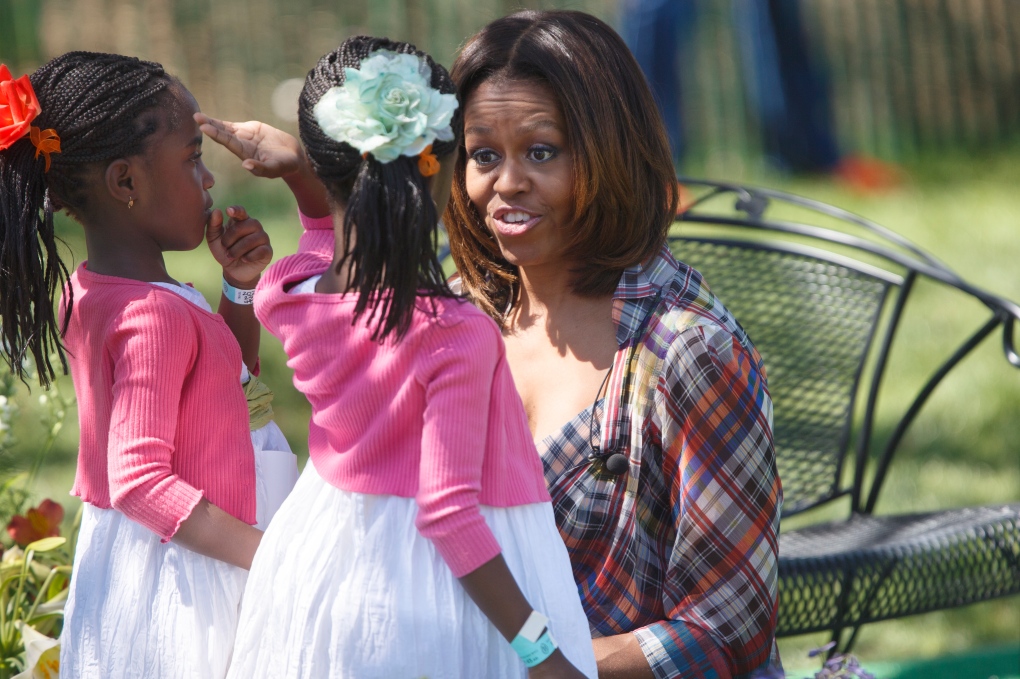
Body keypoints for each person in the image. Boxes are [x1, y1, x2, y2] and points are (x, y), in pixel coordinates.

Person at [199, 37, 598, 678]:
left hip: (323, 566)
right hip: (444, 598)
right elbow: (447, 514)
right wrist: (544, 657)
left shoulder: (288, 291)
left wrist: (305, 173)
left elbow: (322, 236)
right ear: (437, 168)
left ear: (330, 171)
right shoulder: (454, 331)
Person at [445, 11, 783, 679]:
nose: (506, 182)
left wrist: (542, 664)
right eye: (485, 154)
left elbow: (728, 623)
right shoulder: (457, 316)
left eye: (541, 151)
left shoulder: (686, 352)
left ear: (609, 152)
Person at [0, 52, 296, 678]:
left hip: (160, 554)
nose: (209, 179)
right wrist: (278, 561)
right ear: (125, 183)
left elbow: (220, 387)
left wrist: (238, 290)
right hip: (199, 573)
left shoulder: (96, 289)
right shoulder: (151, 315)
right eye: (193, 157)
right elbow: (138, 480)